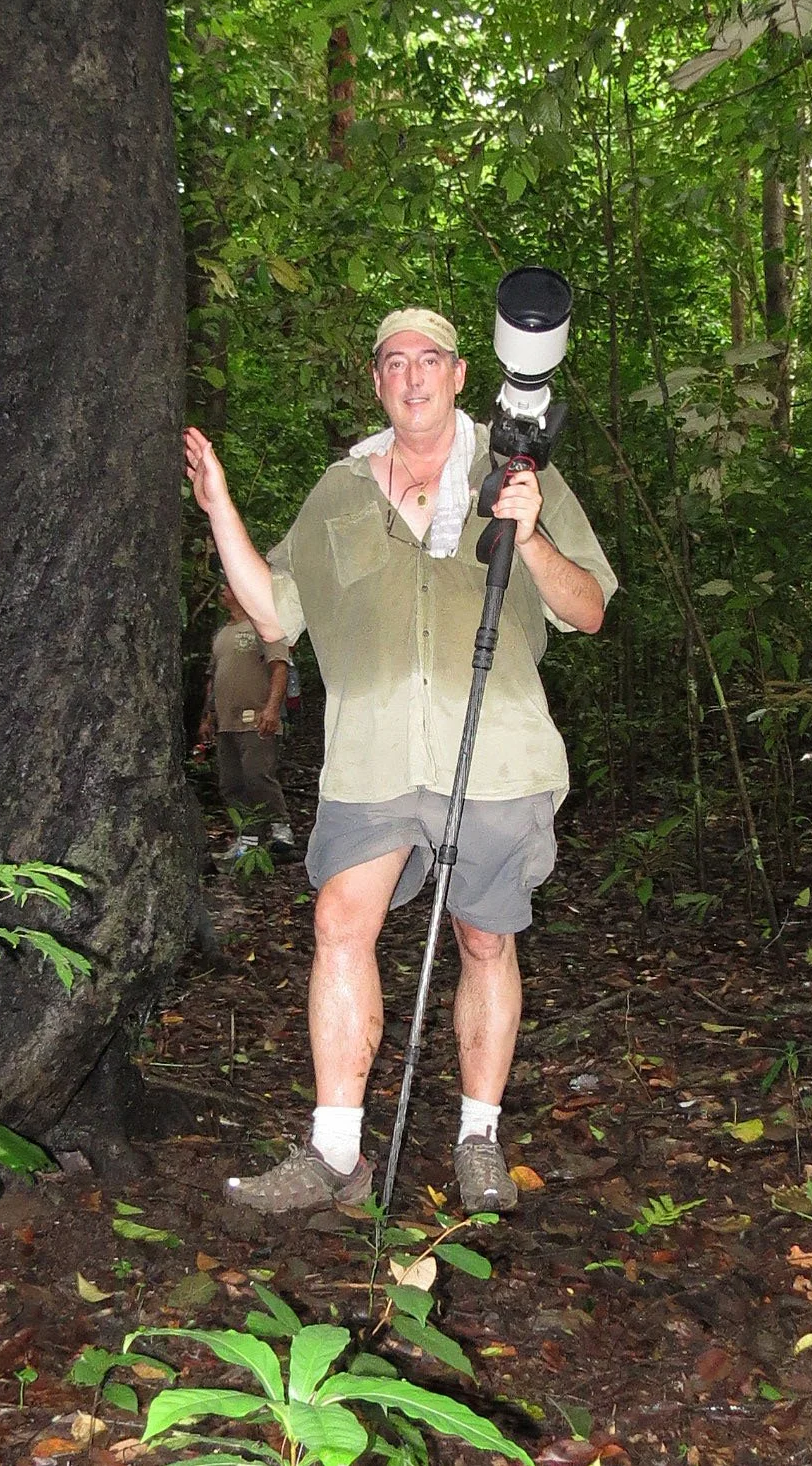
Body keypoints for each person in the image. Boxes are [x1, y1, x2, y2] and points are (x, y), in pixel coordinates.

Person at [183, 303, 616, 1216]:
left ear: (462, 375)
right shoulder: (338, 490)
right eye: (393, 362)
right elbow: (272, 614)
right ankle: (335, 1149)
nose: (413, 375)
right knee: (341, 921)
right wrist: (220, 510)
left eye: (431, 359)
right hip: (372, 755)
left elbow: (589, 611)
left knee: (484, 937)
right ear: (375, 381)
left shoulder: (520, 474)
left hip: (496, 752)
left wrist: (529, 532)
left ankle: (478, 1137)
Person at [199, 584, 295, 860]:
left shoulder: (263, 625)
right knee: (231, 782)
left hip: (256, 719)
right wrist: (208, 716)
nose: (221, 590)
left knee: (258, 774)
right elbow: (213, 678)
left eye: (226, 584)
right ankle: (248, 838)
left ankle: (281, 829)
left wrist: (272, 709)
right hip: (226, 722)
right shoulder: (222, 634)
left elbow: (279, 668)